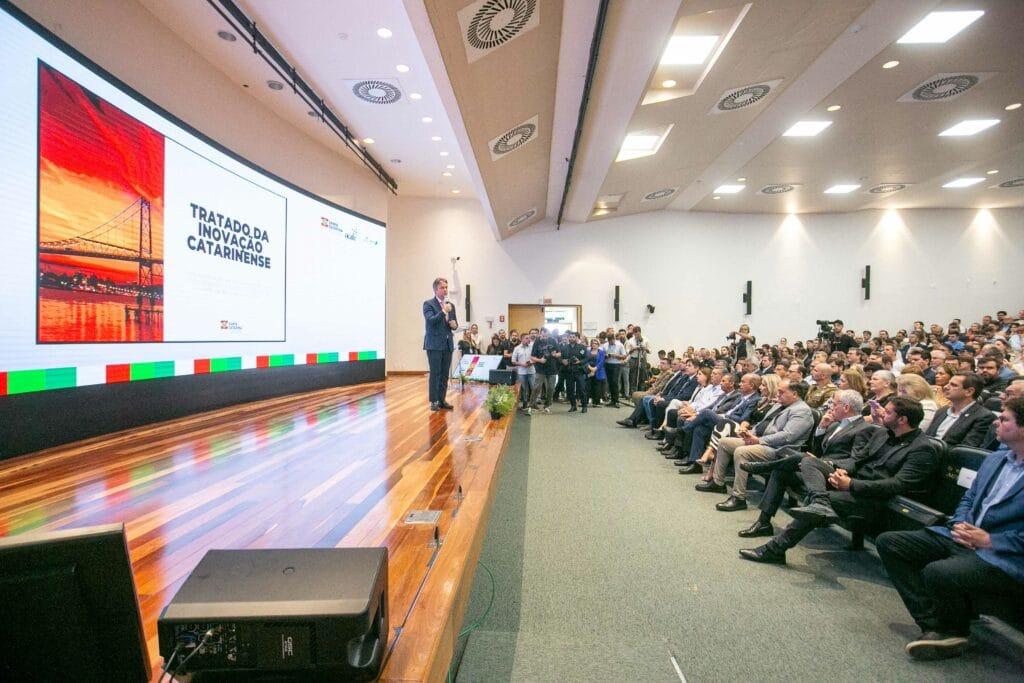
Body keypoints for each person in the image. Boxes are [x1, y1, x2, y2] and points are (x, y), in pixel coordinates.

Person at [876, 397, 1024, 661]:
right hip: (964, 536)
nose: (995, 421)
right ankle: (935, 623)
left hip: (1004, 553)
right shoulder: (996, 460)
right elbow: (968, 498)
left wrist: (990, 540)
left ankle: (951, 628)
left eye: (1004, 419)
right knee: (891, 543)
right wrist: (958, 524)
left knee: (938, 571)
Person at [740, 396, 940, 564]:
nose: (880, 415)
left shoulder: (922, 449)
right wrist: (843, 472)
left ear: (902, 419)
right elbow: (857, 460)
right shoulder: (883, 434)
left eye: (887, 413)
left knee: (824, 498)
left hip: (876, 498)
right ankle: (818, 501)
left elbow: (898, 485)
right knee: (810, 462)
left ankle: (776, 549)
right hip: (853, 483)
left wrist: (852, 484)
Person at [697, 380, 815, 512]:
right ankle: (718, 482)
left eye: (781, 392)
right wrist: (749, 434)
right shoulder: (780, 405)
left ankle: (738, 497)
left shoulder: (802, 411)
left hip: (781, 450)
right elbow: (761, 424)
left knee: (742, 452)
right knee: (725, 442)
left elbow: (787, 436)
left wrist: (758, 440)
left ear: (794, 394)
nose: (778, 394)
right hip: (763, 442)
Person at [925, 373, 996, 447]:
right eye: (948, 383)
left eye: (953, 385)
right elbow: (926, 437)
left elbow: (964, 450)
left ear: (969, 392)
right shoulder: (942, 410)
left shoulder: (984, 417)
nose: (946, 387)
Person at [423, 277, 457, 411]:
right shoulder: (428, 304)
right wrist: (443, 311)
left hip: (448, 344)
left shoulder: (450, 305)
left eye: (446, 287)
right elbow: (431, 321)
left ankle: (442, 400)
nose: (445, 290)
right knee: (435, 373)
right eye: (442, 287)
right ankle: (433, 401)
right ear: (436, 289)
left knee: (444, 374)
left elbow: (454, 323)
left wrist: (454, 325)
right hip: (434, 345)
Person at [529, 328, 560, 413]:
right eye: (543, 335)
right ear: (540, 334)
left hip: (552, 368)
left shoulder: (553, 341)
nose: (544, 337)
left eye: (546, 336)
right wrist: (540, 360)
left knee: (551, 388)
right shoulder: (537, 342)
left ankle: (547, 405)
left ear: (548, 334)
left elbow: (559, 353)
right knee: (536, 387)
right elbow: (532, 357)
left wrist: (555, 354)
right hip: (540, 368)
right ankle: (532, 405)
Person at [562, 331, 589, 413]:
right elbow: (560, 358)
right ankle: (573, 406)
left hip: (579, 370)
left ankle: (584, 406)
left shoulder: (582, 347)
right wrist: (563, 361)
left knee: (581, 389)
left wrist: (579, 361)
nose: (571, 338)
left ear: (577, 338)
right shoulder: (565, 347)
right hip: (569, 371)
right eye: (570, 337)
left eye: (573, 337)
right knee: (570, 389)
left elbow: (586, 358)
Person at [511, 332, 536, 413]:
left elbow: (536, 358)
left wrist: (532, 362)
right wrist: (522, 364)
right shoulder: (517, 348)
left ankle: (533, 404)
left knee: (533, 387)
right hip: (522, 372)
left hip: (531, 370)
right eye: (526, 338)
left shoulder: (532, 347)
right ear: (521, 339)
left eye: (529, 338)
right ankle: (525, 404)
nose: (528, 339)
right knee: (524, 388)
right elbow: (513, 361)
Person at [602, 332, 627, 408]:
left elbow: (624, 356)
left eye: (611, 340)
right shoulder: (605, 345)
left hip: (616, 365)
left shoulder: (620, 345)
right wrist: (606, 356)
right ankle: (612, 400)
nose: (610, 342)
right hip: (608, 364)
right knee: (610, 382)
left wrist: (616, 355)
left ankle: (616, 401)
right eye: (609, 341)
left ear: (614, 339)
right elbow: (602, 355)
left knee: (615, 382)